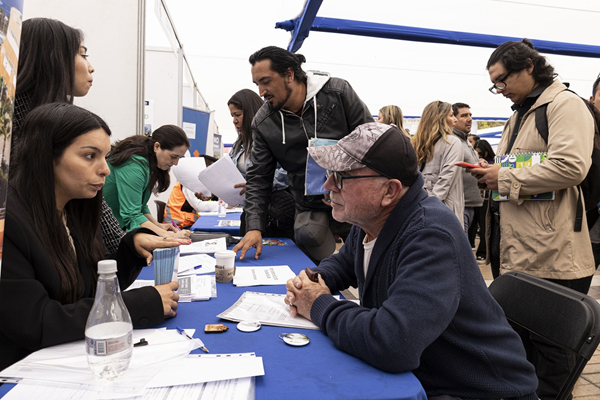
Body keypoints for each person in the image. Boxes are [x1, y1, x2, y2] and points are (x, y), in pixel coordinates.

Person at [285, 122, 538, 399]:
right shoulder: (371, 220)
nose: (328, 185)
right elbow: (344, 263)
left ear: (390, 191)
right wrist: (313, 280)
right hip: (427, 377)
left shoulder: (430, 234)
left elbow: (393, 343)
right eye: (331, 173)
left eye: (342, 177)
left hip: (476, 390)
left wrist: (319, 305)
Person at [0, 103, 185, 370]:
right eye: (90, 156)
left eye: (105, 156)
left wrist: (130, 247)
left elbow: (90, 292)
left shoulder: (75, 210)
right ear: (45, 155)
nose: (105, 169)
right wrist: (138, 305)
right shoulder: (9, 222)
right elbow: (35, 323)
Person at [472, 38, 595, 399]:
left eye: (502, 79)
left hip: (552, 256)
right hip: (519, 251)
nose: (500, 89)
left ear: (529, 66)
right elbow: (519, 167)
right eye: (494, 83)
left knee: (553, 358)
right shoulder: (519, 113)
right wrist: (491, 171)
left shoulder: (564, 104)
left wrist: (504, 178)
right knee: (522, 351)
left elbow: (572, 166)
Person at [232, 46, 373, 262]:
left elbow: (372, 143)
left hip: (354, 196)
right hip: (309, 204)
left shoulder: (338, 94)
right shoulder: (263, 123)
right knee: (310, 238)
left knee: (368, 256)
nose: (261, 91)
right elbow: (258, 178)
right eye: (257, 84)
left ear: (289, 75)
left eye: (266, 81)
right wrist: (254, 227)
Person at [13, 17, 125, 254]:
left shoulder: (24, 114)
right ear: (54, 57)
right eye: (83, 55)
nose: (91, 66)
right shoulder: (22, 124)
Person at [227, 88, 295, 239]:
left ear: (251, 112)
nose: (234, 120)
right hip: (249, 212)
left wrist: (255, 184)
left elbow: (287, 171)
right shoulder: (238, 146)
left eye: (237, 114)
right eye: (232, 116)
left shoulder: (275, 137)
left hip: (273, 213)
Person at [103, 125, 191, 237]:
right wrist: (168, 235)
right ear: (157, 147)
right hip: (100, 228)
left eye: (179, 158)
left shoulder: (148, 163)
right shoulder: (134, 164)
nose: (176, 163)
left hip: (112, 226)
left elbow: (140, 206)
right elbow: (132, 214)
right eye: (173, 156)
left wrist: (157, 225)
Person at [411, 101, 464, 222]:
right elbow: (447, 178)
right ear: (440, 119)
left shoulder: (416, 144)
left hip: (418, 204)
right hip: (443, 207)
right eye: (451, 115)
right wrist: (432, 204)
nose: (455, 120)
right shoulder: (452, 142)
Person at [452, 103, 483, 243]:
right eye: (464, 115)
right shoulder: (452, 141)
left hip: (470, 205)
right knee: (459, 248)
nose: (469, 119)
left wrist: (482, 165)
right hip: (459, 207)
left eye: (470, 115)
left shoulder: (466, 140)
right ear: (453, 118)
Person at [473, 139, 495, 261]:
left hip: (489, 197)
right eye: (477, 153)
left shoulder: (494, 163)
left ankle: (484, 251)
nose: (479, 156)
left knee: (484, 224)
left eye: (481, 153)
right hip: (480, 197)